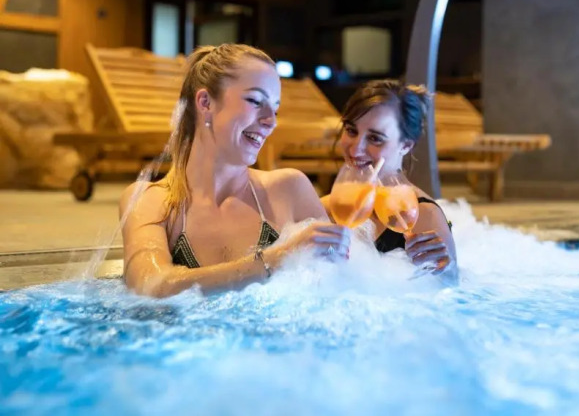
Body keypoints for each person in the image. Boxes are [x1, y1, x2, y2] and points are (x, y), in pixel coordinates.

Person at [120, 44, 350, 298]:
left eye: (275, 109)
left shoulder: (289, 189)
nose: (271, 121)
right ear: (205, 102)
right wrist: (276, 259)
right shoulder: (150, 201)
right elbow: (149, 286)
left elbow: (343, 288)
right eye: (255, 101)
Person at [322, 80, 458, 282]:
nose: (355, 149)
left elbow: (451, 291)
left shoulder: (423, 216)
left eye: (375, 138)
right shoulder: (331, 207)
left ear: (406, 145)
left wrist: (446, 271)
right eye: (351, 130)